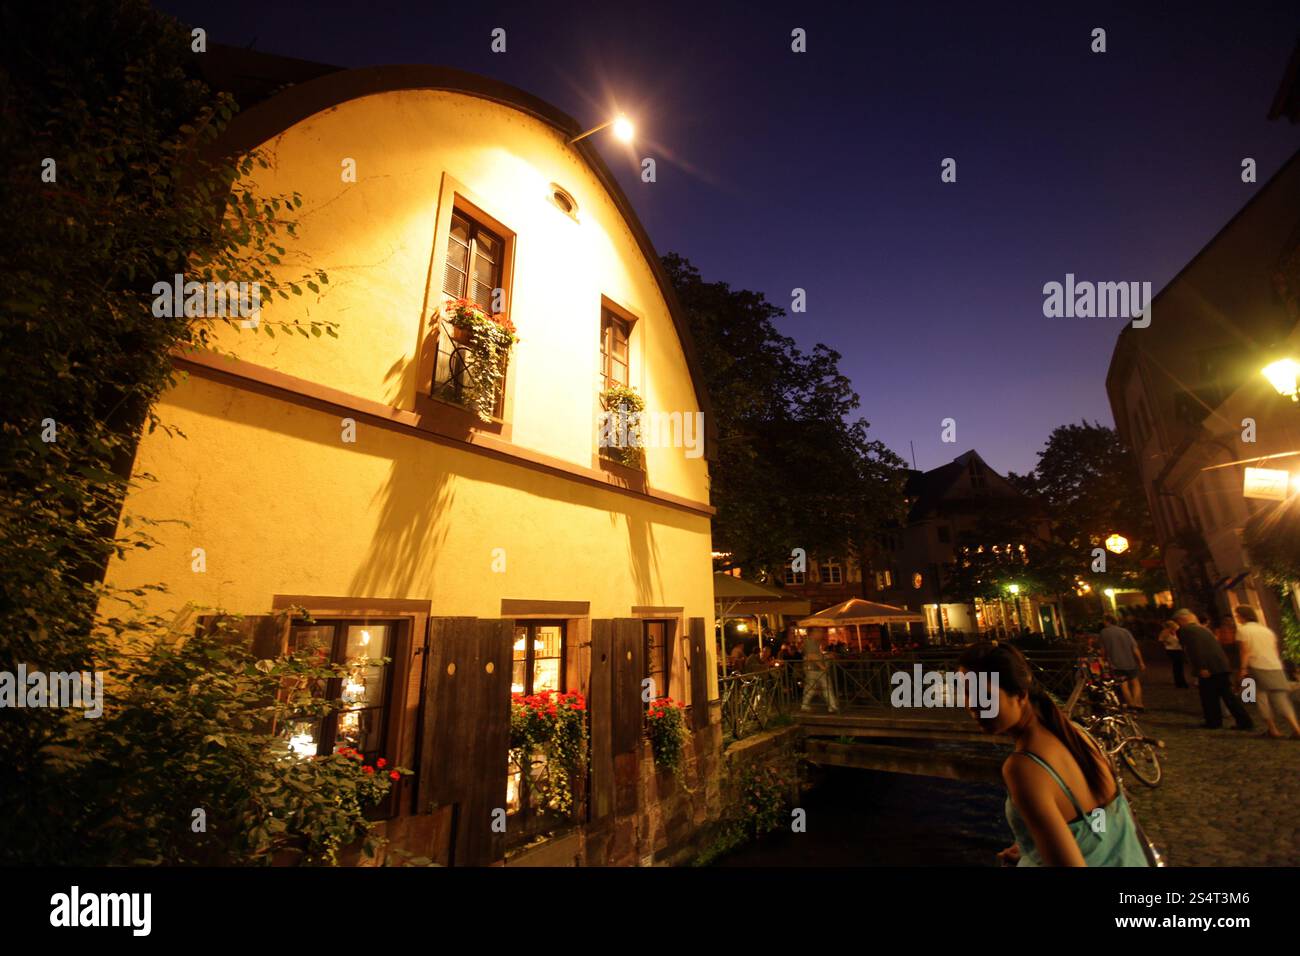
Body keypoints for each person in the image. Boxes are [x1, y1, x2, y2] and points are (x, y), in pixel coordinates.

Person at [957, 642, 1152, 867]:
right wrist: (1036, 845)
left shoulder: (1023, 767)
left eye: (985, 696)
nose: (972, 706)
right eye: (966, 694)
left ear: (1020, 695)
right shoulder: (1076, 734)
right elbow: (1099, 820)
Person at [1174, 609, 1253, 731]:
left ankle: (1218, 721)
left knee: (1212, 696)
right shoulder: (1202, 629)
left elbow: (1195, 649)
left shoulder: (1187, 630)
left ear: (1182, 619)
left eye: (1178, 621)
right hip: (1219, 666)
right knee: (1221, 695)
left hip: (1210, 668)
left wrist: (1202, 666)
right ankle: (1235, 721)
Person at [1233, 605, 1300, 739]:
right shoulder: (1266, 630)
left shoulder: (1243, 631)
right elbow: (1275, 650)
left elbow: (1245, 651)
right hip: (1274, 666)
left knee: (1263, 697)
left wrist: (1243, 669)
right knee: (1278, 696)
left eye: (1237, 615)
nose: (1237, 618)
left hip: (1257, 665)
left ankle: (1279, 729)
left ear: (1242, 616)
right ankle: (1288, 728)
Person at [1098, 615, 1145, 711]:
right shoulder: (1125, 631)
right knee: (1135, 683)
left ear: (1107, 621)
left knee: (1123, 684)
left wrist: (1103, 660)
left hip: (1115, 663)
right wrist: (1141, 662)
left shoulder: (1103, 632)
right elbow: (1135, 648)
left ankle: (1131, 704)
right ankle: (1138, 703)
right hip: (1130, 661)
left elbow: (1103, 650)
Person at [799, 632, 839, 714]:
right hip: (814, 669)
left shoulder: (814, 643)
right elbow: (811, 656)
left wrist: (826, 656)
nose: (821, 634)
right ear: (814, 632)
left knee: (813, 688)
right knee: (824, 687)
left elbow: (815, 655)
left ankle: (805, 705)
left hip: (813, 669)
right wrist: (822, 666)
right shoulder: (810, 642)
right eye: (819, 631)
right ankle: (832, 706)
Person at [1158, 619, 1188, 689]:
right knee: (1178, 666)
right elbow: (1160, 639)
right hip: (1171, 650)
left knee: (1178, 666)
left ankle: (1180, 682)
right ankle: (1180, 683)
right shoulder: (1165, 632)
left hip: (1178, 650)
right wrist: (1166, 643)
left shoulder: (1177, 632)